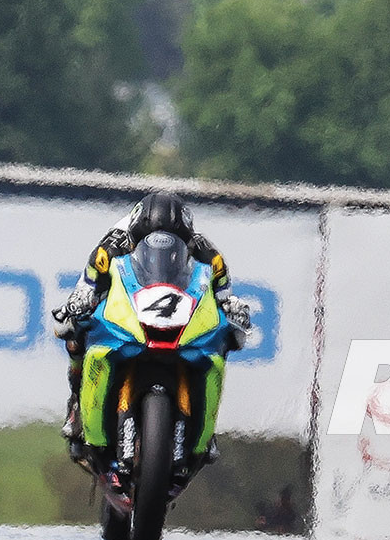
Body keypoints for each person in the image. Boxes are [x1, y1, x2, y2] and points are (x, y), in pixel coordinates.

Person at [49, 190, 250, 458]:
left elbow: (224, 295)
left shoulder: (208, 255)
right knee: (73, 332)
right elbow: (87, 286)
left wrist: (232, 307)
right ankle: (76, 407)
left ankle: (204, 434)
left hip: (176, 315)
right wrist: (79, 302)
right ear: (136, 233)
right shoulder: (110, 246)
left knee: (223, 342)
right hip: (126, 308)